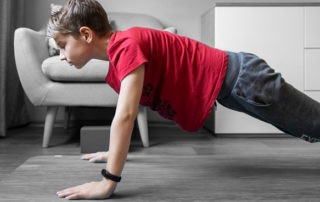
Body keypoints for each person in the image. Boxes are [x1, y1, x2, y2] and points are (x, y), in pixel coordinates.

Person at [47, 0, 320, 200]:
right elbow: (128, 115)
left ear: (85, 34)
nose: (61, 55)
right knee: (303, 127)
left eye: (63, 46)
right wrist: (114, 153)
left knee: (313, 123)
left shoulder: (126, 45)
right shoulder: (119, 63)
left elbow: (126, 115)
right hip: (238, 87)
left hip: (246, 78)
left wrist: (108, 181)